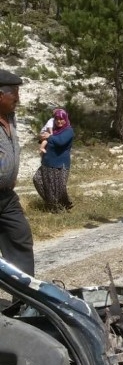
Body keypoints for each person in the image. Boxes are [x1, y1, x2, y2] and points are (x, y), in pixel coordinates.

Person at [0, 69, 35, 274]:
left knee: (20, 237)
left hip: (6, 197)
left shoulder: (10, 117)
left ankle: (24, 293)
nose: (18, 98)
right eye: (14, 93)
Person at [33, 108, 74, 212]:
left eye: (61, 119)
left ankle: (60, 207)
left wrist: (49, 137)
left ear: (65, 119)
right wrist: (42, 137)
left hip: (59, 164)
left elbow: (60, 141)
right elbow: (43, 139)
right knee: (38, 180)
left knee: (58, 189)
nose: (59, 121)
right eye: (57, 119)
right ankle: (52, 204)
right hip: (47, 163)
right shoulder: (53, 130)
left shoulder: (68, 131)